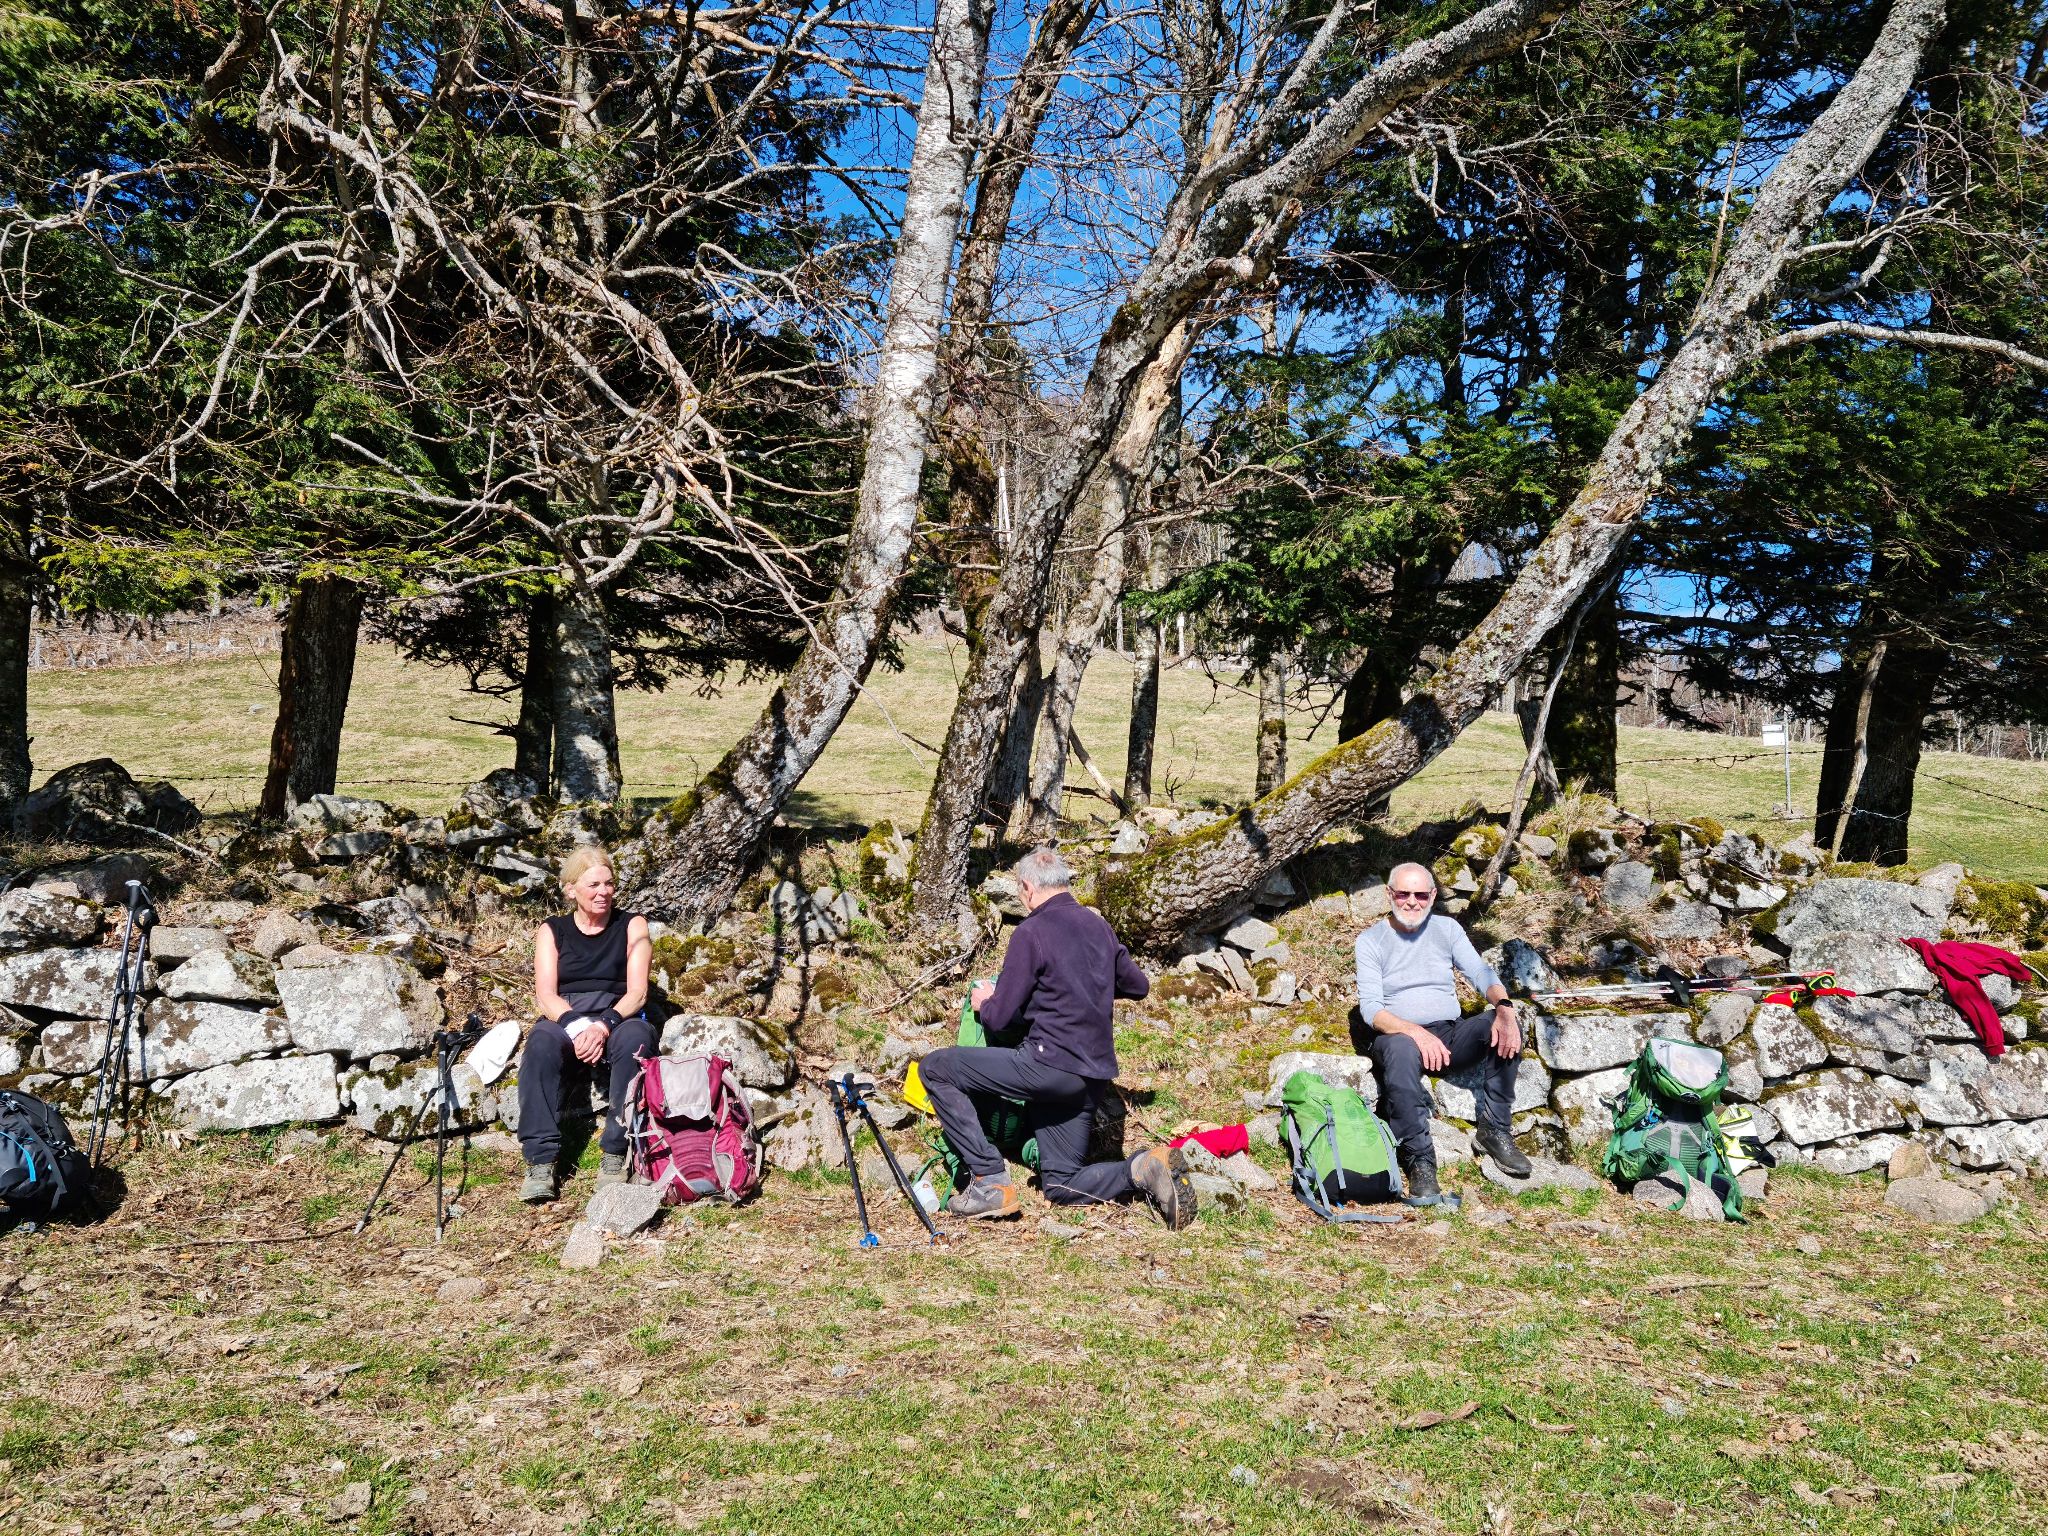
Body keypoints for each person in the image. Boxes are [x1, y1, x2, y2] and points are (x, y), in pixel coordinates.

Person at [916, 847, 1195, 1227]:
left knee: (936, 1068)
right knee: (1062, 1184)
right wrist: (1084, 984)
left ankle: (989, 1180)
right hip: (1091, 1078)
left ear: (1027, 888)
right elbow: (1137, 985)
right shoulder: (1098, 926)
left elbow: (999, 1018)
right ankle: (1144, 1167)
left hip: (1046, 1065)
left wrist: (985, 1003)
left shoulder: (1031, 932)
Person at [1357, 861, 1531, 1201]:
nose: (1412, 902)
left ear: (1433, 896)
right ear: (1389, 894)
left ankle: (1495, 1129)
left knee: (1504, 1022)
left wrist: (1504, 1006)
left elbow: (1480, 972)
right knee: (1401, 1049)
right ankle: (1420, 1160)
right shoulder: (1370, 941)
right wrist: (1415, 1033)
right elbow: (1372, 1010)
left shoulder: (1447, 929)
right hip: (1397, 1037)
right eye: (1403, 894)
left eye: (1420, 895)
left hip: (1449, 1034)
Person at [517, 846, 657, 1204]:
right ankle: (541, 1160)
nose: (603, 892)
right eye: (593, 884)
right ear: (571, 889)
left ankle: (616, 1152)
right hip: (566, 1014)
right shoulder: (553, 930)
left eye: (609, 884)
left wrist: (603, 1025)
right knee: (541, 1043)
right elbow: (546, 994)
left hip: (619, 1013)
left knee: (636, 1040)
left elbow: (638, 992)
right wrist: (578, 1027)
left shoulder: (632, 925)